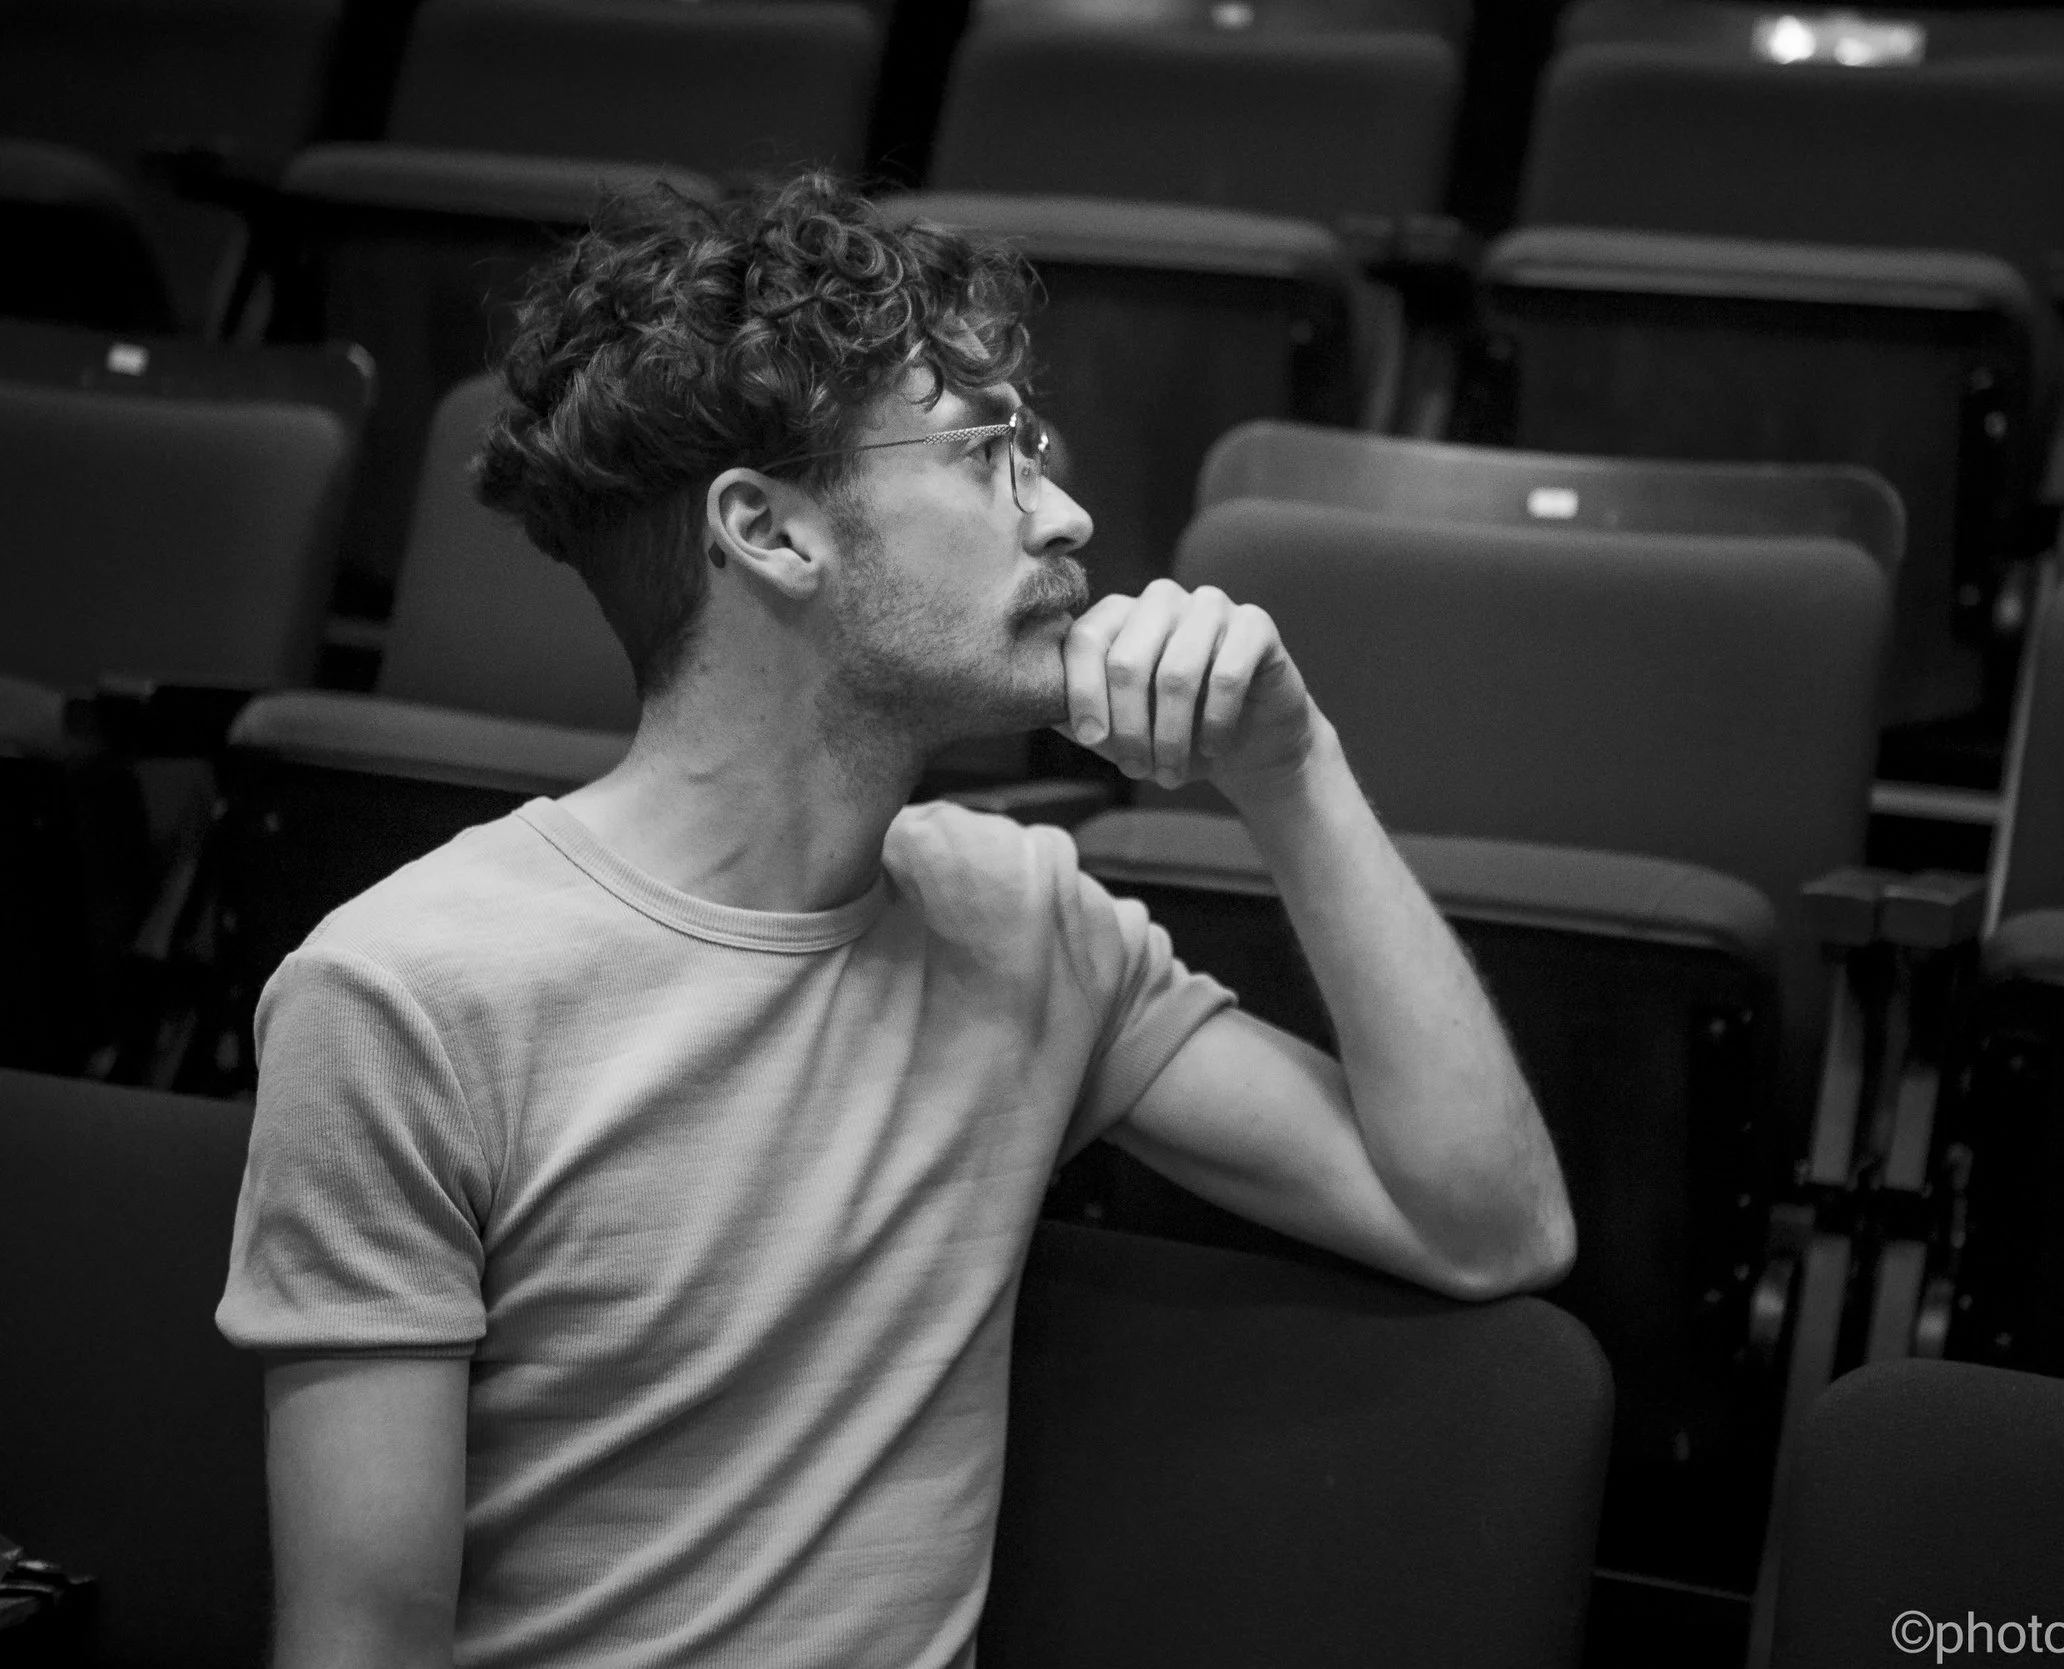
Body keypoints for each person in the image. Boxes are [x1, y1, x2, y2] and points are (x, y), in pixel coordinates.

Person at [217, 171, 1573, 1669]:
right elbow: (359, 1645)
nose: (1066, 511)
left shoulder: (1022, 919)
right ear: (772, 534)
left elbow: (1487, 1227)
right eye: (989, 452)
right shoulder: (403, 995)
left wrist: (1292, 770)